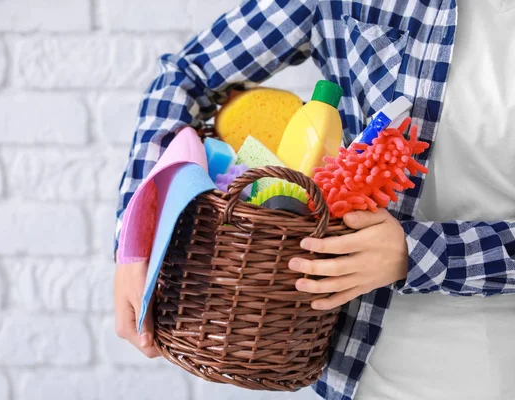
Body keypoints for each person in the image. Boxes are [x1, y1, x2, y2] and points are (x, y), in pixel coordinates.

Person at [113, 0, 515, 398]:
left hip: (491, 368)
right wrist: (136, 242)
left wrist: (414, 252)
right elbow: (187, 74)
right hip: (354, 369)